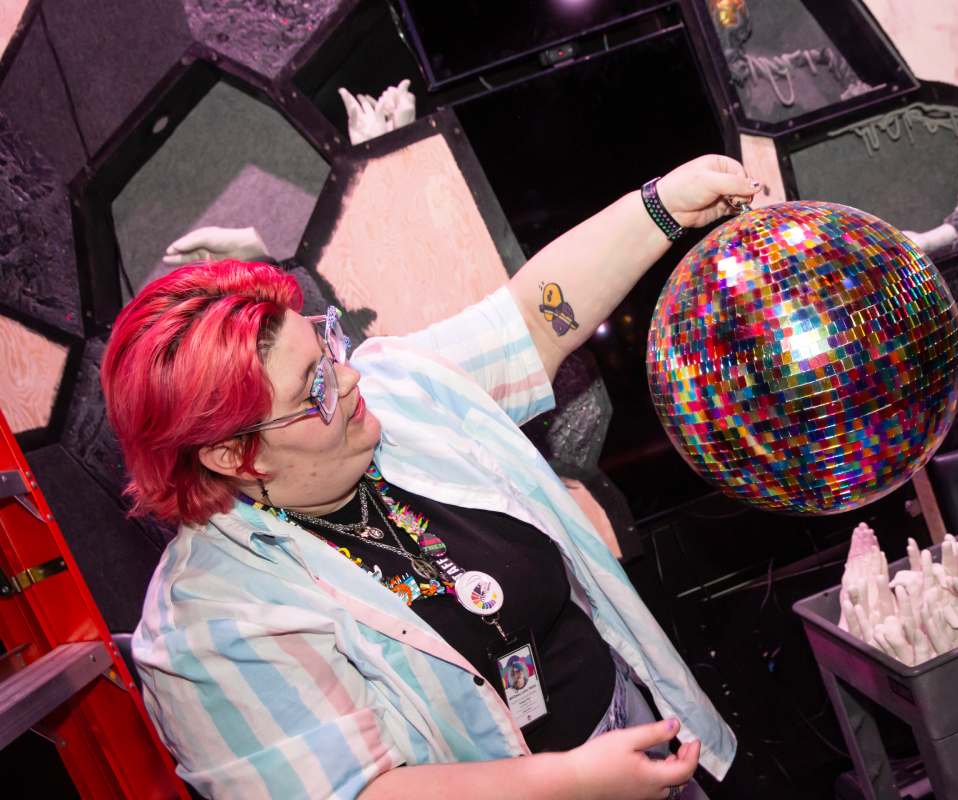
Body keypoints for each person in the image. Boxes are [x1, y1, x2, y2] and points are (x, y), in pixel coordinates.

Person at [102, 154, 760, 800]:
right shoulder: (209, 626)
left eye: (325, 346)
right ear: (233, 456)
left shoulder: (398, 390)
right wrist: (573, 783)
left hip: (638, 744)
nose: (351, 376)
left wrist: (666, 206)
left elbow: (532, 321)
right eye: (316, 386)